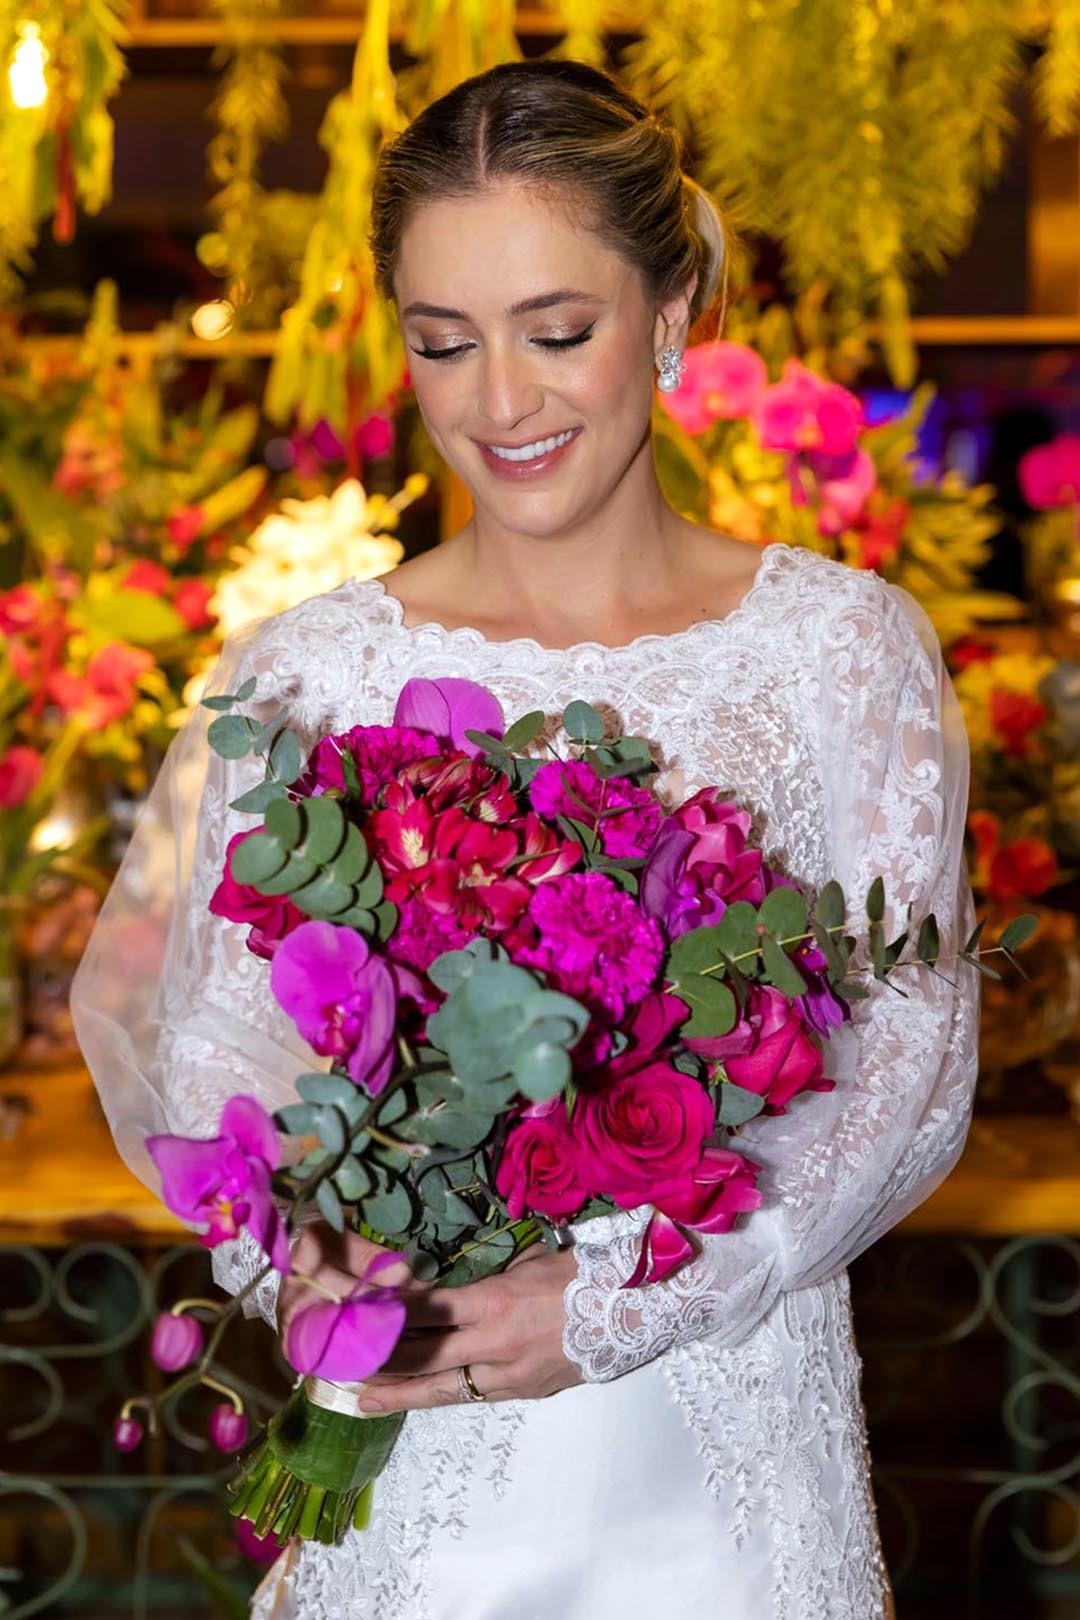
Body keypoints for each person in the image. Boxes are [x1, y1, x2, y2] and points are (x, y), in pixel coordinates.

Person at [71, 58, 977, 1620]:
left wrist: (622, 1297)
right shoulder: (309, 672)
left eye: (559, 332)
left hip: (724, 1476)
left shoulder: (838, 651)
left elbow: (910, 1056)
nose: (502, 402)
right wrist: (305, 1248)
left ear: (672, 308)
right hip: (418, 1446)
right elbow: (217, 1034)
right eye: (445, 341)